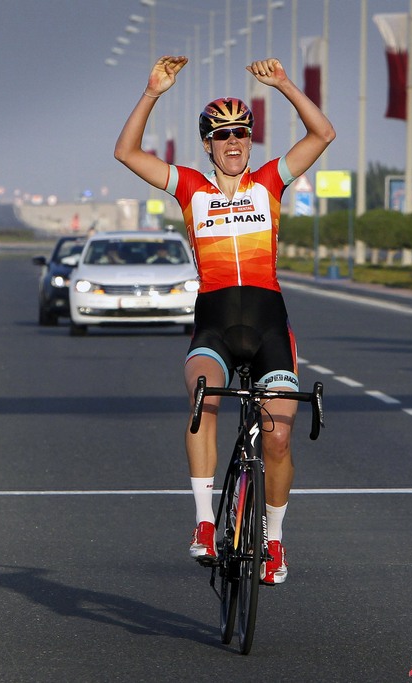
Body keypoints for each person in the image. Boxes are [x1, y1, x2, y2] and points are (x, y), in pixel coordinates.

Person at [114, 55, 335, 584]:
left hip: (267, 326)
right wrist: (152, 93)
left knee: (279, 438)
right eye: (222, 135)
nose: (233, 143)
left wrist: (283, 84)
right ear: (207, 144)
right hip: (214, 324)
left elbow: (322, 133)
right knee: (204, 399)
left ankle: (275, 541)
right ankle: (206, 523)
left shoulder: (270, 182)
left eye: (241, 134)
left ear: (250, 141)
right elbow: (125, 152)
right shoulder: (189, 187)